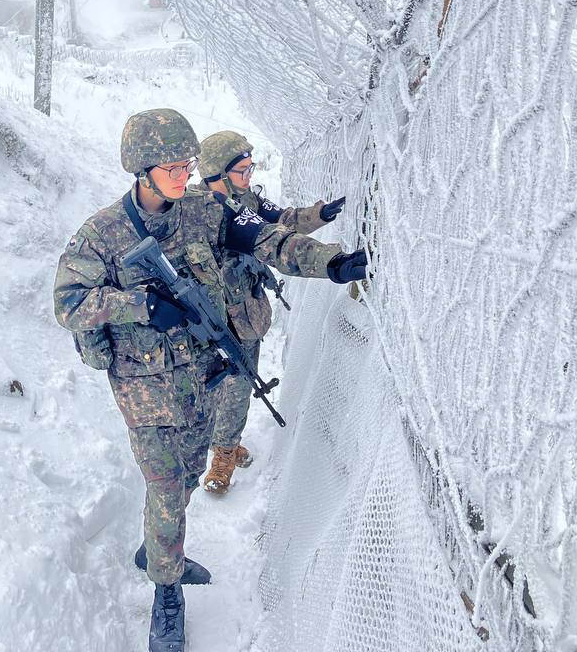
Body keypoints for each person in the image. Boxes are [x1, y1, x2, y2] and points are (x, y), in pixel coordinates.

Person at [52, 109, 368, 652]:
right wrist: (141, 305)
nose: (183, 175)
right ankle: (166, 594)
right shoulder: (101, 234)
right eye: (172, 167)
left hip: (199, 377)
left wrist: (331, 262)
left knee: (191, 471)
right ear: (140, 170)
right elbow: (68, 303)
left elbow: (267, 240)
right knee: (167, 486)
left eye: (188, 164)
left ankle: (158, 549)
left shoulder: (205, 210)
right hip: (144, 387)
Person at [190, 130, 348, 494]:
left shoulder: (246, 201)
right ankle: (220, 448)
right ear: (216, 174)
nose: (249, 179)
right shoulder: (193, 210)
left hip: (243, 314)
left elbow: (282, 225)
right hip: (204, 318)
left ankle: (225, 448)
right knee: (213, 389)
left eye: (250, 170)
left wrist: (319, 215)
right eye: (242, 172)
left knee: (239, 384)